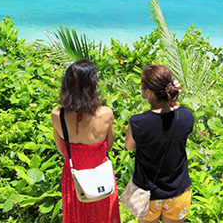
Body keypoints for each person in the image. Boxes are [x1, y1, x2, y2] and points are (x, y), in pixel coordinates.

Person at [51, 59, 120, 223]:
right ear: (93, 85)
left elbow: (62, 150)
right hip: (100, 178)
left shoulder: (57, 115)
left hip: (74, 179)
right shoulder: (106, 113)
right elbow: (108, 146)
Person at [124, 64, 194, 222]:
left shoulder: (138, 122)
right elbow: (175, 113)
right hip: (178, 193)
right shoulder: (186, 116)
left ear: (148, 92)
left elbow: (129, 146)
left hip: (148, 194)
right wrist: (173, 101)